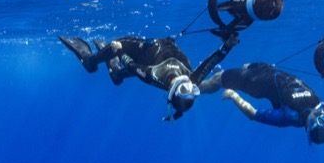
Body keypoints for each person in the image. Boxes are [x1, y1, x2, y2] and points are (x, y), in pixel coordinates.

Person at [58, 35, 237, 120]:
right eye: (192, 89)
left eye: (184, 89)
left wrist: (119, 50)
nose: (188, 84)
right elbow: (212, 62)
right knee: (120, 75)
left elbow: (133, 66)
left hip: (143, 55)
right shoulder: (193, 79)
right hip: (158, 49)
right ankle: (115, 72)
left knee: (115, 55)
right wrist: (228, 45)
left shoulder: (154, 76)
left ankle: (90, 59)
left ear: (174, 91)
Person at [198, 62, 324, 144]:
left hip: (255, 82)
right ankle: (218, 75)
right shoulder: (322, 110)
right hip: (267, 69)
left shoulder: (289, 117)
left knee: (219, 81)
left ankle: (193, 87)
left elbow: (253, 113)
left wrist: (233, 96)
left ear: (311, 126)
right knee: (245, 65)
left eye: (321, 121)